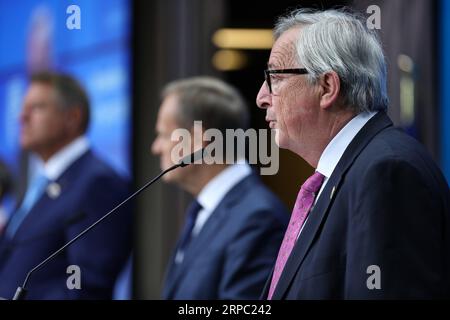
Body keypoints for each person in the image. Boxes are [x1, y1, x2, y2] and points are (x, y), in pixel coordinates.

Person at [256, 8, 450, 299]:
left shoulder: (386, 172)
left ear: (327, 87)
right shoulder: (348, 173)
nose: (261, 97)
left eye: (275, 77)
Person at [152, 76, 288, 299]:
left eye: (164, 135)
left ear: (197, 140)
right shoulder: (205, 209)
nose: (156, 147)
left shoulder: (258, 217)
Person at [0, 72, 132, 299]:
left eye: (37, 107)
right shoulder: (42, 183)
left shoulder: (98, 183)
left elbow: (86, 285)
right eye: (23, 108)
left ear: (72, 117)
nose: (22, 117)